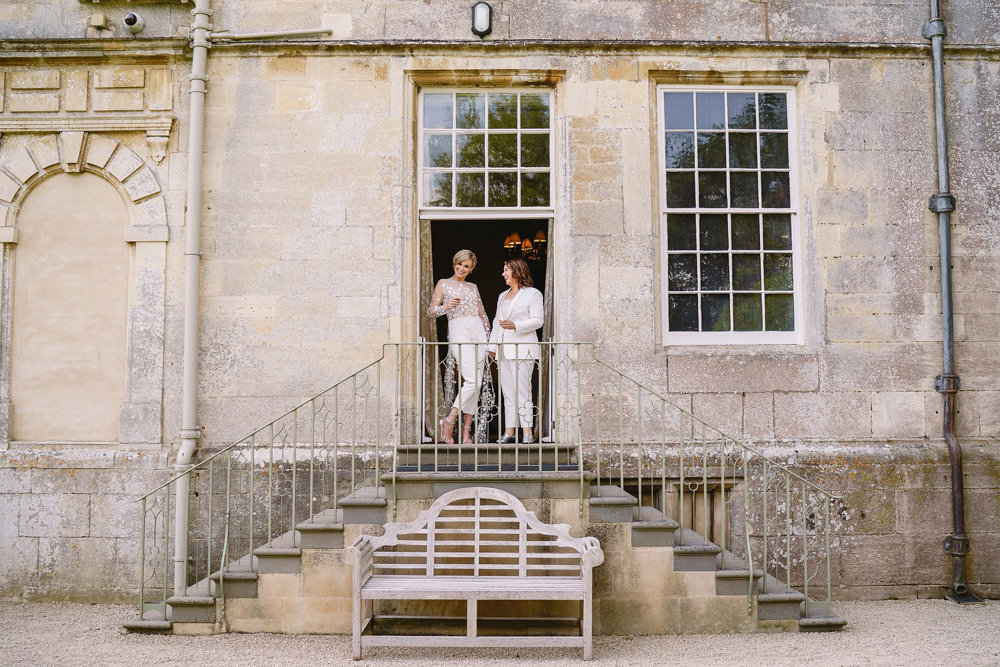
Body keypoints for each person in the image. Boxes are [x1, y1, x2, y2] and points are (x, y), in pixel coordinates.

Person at [427, 249, 491, 445]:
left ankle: (465, 434)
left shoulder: (473, 287)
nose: (462, 268)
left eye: (466, 266)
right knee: (471, 380)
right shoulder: (443, 284)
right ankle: (449, 420)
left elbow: (482, 313)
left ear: (471, 269)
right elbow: (431, 311)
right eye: (460, 264)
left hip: (478, 332)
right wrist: (446, 307)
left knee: (477, 384)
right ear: (455, 263)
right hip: (459, 330)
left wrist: (489, 340)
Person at [489, 258, 544, 444]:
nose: (503, 274)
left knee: (523, 390)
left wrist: (515, 325)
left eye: (506, 270)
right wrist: (492, 347)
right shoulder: (502, 296)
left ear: (517, 271)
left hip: (523, 350)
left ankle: (527, 431)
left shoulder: (533, 294)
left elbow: (538, 320)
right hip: (504, 350)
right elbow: (497, 322)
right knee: (508, 392)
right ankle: (509, 431)